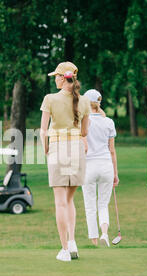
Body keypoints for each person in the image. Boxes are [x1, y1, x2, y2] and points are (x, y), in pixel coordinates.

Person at [40, 61, 91, 262]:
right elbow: (85, 132)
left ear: (63, 78)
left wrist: (45, 149)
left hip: (58, 148)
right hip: (76, 149)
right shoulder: (85, 100)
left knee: (60, 202)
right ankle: (72, 242)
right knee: (69, 200)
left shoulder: (50, 99)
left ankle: (64, 249)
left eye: (56, 76)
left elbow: (44, 130)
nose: (55, 79)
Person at [81, 89, 119, 247]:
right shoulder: (109, 122)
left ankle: (94, 241)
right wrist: (115, 173)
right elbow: (112, 150)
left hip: (89, 166)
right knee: (103, 204)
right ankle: (104, 233)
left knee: (90, 205)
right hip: (106, 166)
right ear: (99, 104)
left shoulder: (83, 121)